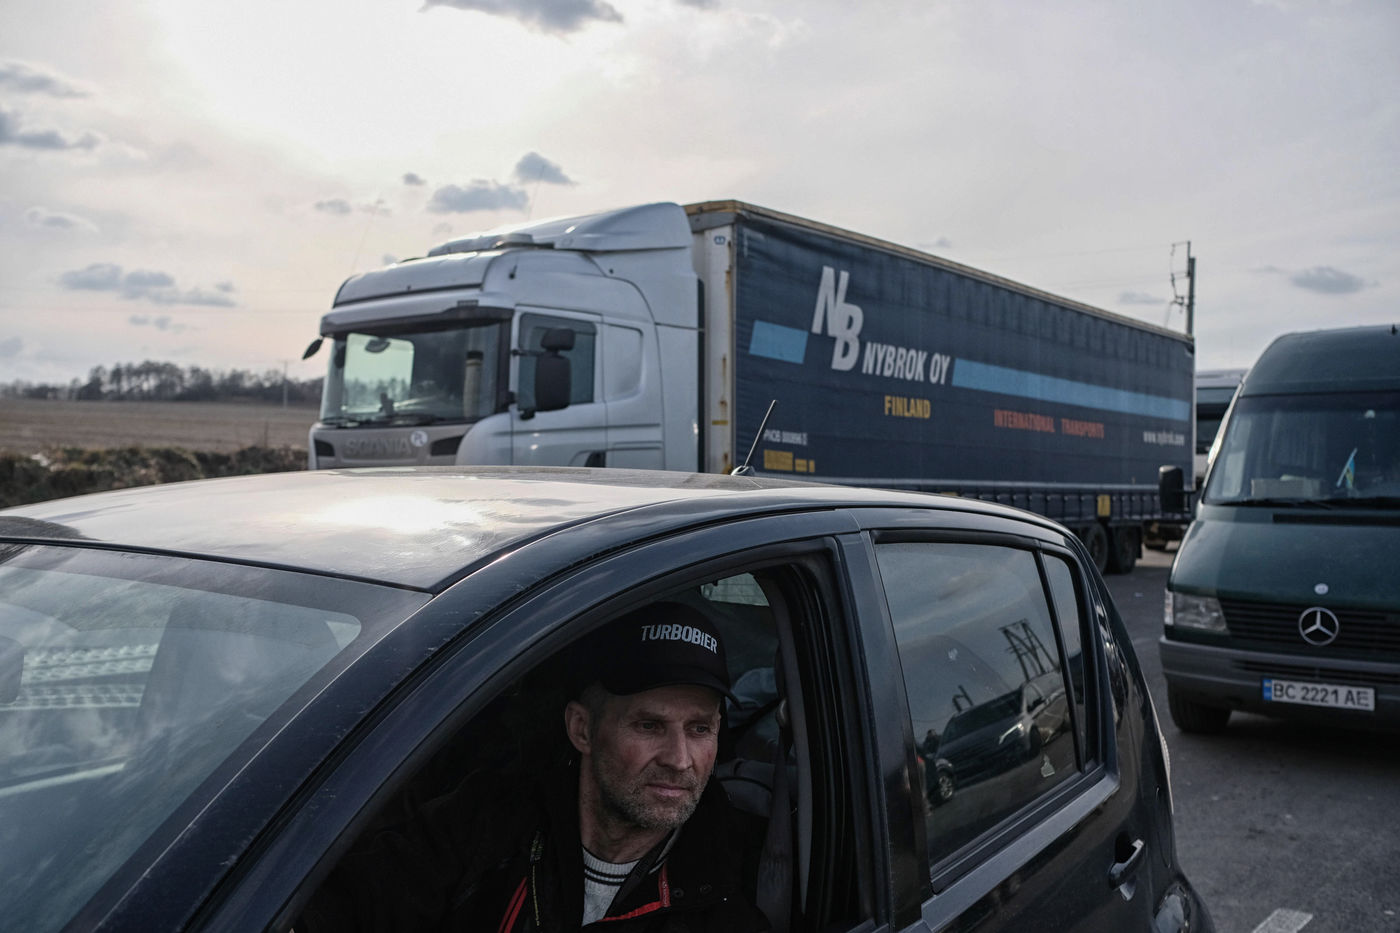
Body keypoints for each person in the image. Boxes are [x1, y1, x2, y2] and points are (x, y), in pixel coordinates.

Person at [297, 601, 771, 932]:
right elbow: (343, 906)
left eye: (700, 729)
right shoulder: (489, 822)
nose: (680, 759)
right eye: (649, 726)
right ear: (582, 729)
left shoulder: (735, 883)